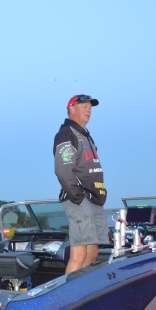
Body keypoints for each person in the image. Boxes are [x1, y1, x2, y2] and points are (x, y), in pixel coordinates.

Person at [53, 94, 108, 273]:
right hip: (80, 199)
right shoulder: (66, 134)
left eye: (90, 107)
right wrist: (77, 196)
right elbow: (63, 170)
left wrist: (101, 193)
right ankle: (67, 290)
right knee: (79, 253)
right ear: (71, 109)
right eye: (84, 106)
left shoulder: (86, 135)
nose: (88, 110)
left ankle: (81, 286)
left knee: (93, 252)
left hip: (94, 199)